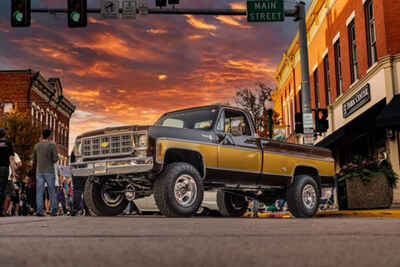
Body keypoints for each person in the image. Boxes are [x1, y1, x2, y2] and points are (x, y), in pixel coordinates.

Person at [33, 129, 59, 216]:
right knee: (51, 191)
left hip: (39, 171)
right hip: (49, 171)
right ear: (49, 136)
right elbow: (55, 159)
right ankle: (53, 210)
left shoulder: (36, 146)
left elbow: (34, 160)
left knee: (39, 191)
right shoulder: (52, 145)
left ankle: (39, 210)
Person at [0, 128, 16, 216]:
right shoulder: (8, 144)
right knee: (2, 189)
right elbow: (11, 159)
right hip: (4, 168)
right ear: (4, 135)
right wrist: (13, 172)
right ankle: (1, 210)